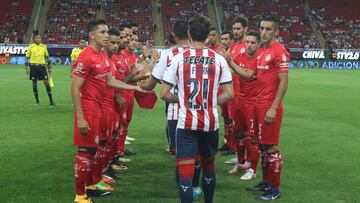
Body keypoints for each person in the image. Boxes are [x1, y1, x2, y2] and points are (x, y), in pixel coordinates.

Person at [160, 14, 234, 203]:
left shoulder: (178, 59)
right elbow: (229, 94)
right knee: (209, 167)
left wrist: (183, 100)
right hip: (211, 125)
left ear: (189, 33)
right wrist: (209, 101)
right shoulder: (219, 60)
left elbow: (164, 94)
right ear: (208, 35)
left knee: (185, 171)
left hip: (186, 125)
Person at [71, 19, 145, 203]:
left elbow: (110, 81)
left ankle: (90, 186)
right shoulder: (85, 56)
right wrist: (80, 117)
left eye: (106, 32)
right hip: (88, 110)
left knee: (95, 150)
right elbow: (74, 88)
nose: (106, 35)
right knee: (86, 151)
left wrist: (135, 88)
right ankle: (80, 196)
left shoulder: (102, 56)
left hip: (101, 109)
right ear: (92, 35)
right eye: (103, 32)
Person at [246, 16, 289, 201]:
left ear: (276, 32)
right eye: (262, 28)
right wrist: (230, 62)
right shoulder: (262, 51)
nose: (263, 32)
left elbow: (284, 82)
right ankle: (266, 182)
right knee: (262, 146)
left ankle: (275, 190)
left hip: (269, 106)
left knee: (272, 148)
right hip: (258, 104)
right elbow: (250, 74)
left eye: (268, 29)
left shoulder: (280, 51)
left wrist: (273, 107)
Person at [223, 31, 261, 180]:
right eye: (248, 43)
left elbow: (247, 74)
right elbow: (232, 69)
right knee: (238, 133)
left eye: (253, 43)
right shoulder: (241, 56)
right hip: (240, 100)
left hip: (254, 102)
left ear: (258, 44)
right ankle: (241, 162)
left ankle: (253, 170)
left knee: (252, 138)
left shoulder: (260, 58)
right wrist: (223, 63)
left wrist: (230, 61)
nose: (249, 46)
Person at [25, 31, 55, 106]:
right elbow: (27, 58)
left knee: (46, 82)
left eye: (39, 37)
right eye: (37, 38)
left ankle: (51, 101)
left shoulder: (44, 47)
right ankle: (37, 101)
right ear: (34, 39)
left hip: (42, 66)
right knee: (34, 83)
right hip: (33, 66)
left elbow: (47, 57)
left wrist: (49, 66)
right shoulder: (31, 47)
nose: (39, 39)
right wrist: (26, 67)